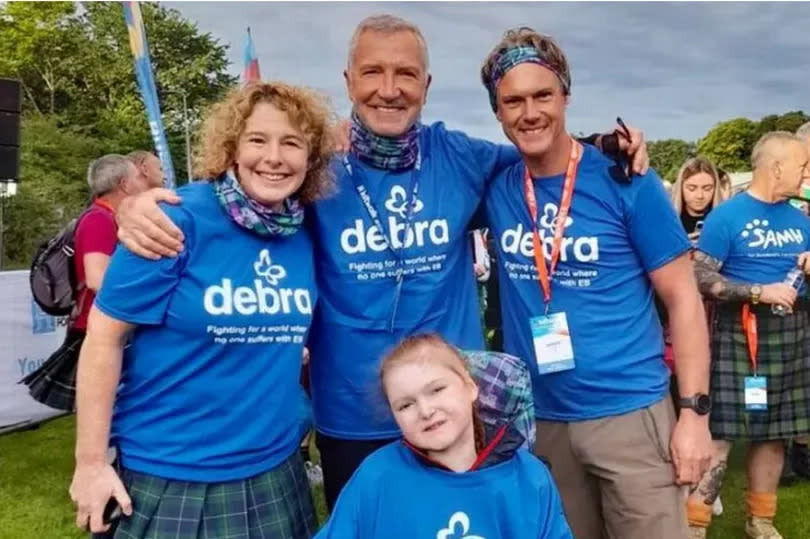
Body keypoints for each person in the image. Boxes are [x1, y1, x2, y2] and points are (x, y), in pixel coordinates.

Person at [112, 14, 649, 510]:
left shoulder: (463, 157)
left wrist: (606, 144)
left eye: (405, 74)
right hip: (353, 415)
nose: (388, 89)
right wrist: (137, 206)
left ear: (426, 86)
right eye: (373, 72)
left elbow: (544, 156)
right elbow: (240, 195)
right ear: (349, 81)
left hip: (455, 409)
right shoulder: (314, 165)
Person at [69, 82, 333, 538]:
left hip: (275, 470)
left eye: (292, 142)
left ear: (309, 158)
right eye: (258, 140)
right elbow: (103, 337)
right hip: (173, 475)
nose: (274, 156)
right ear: (231, 148)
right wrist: (90, 462)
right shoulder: (175, 219)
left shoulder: (305, 231)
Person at [480, 27, 712, 539]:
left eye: (543, 94)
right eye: (512, 101)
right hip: (541, 419)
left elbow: (684, 299)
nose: (530, 112)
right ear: (497, 112)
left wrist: (695, 415)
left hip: (629, 413)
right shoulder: (495, 183)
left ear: (566, 95)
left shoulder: (625, 179)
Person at [316, 333, 572, 538]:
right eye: (406, 405)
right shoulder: (376, 477)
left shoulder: (528, 477)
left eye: (437, 390)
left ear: (470, 388)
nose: (426, 411)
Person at [693, 131, 810, 539]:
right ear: (776, 167)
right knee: (722, 433)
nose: (806, 173)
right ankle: (694, 523)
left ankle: (760, 519)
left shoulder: (802, 220)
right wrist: (757, 291)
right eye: (802, 164)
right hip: (740, 334)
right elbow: (700, 276)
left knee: (776, 432)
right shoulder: (728, 217)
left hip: (791, 335)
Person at [21, 154, 148, 411]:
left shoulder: (106, 217)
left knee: (115, 404)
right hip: (98, 326)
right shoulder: (99, 219)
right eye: (138, 177)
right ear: (124, 184)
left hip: (102, 323)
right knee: (104, 406)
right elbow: (97, 278)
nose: (142, 182)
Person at [672, 157, 724, 241]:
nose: (700, 196)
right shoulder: (669, 222)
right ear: (680, 187)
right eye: (692, 188)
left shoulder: (726, 220)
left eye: (707, 188)